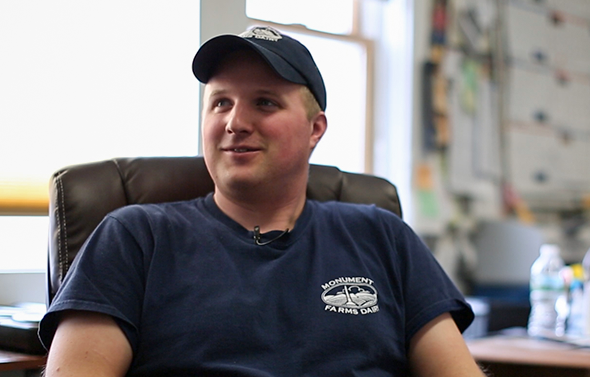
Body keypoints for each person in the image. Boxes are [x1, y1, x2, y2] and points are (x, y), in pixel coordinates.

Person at [38, 26, 485, 376]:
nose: (235, 122)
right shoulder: (133, 236)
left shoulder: (381, 235)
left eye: (265, 103)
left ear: (315, 130)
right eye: (220, 103)